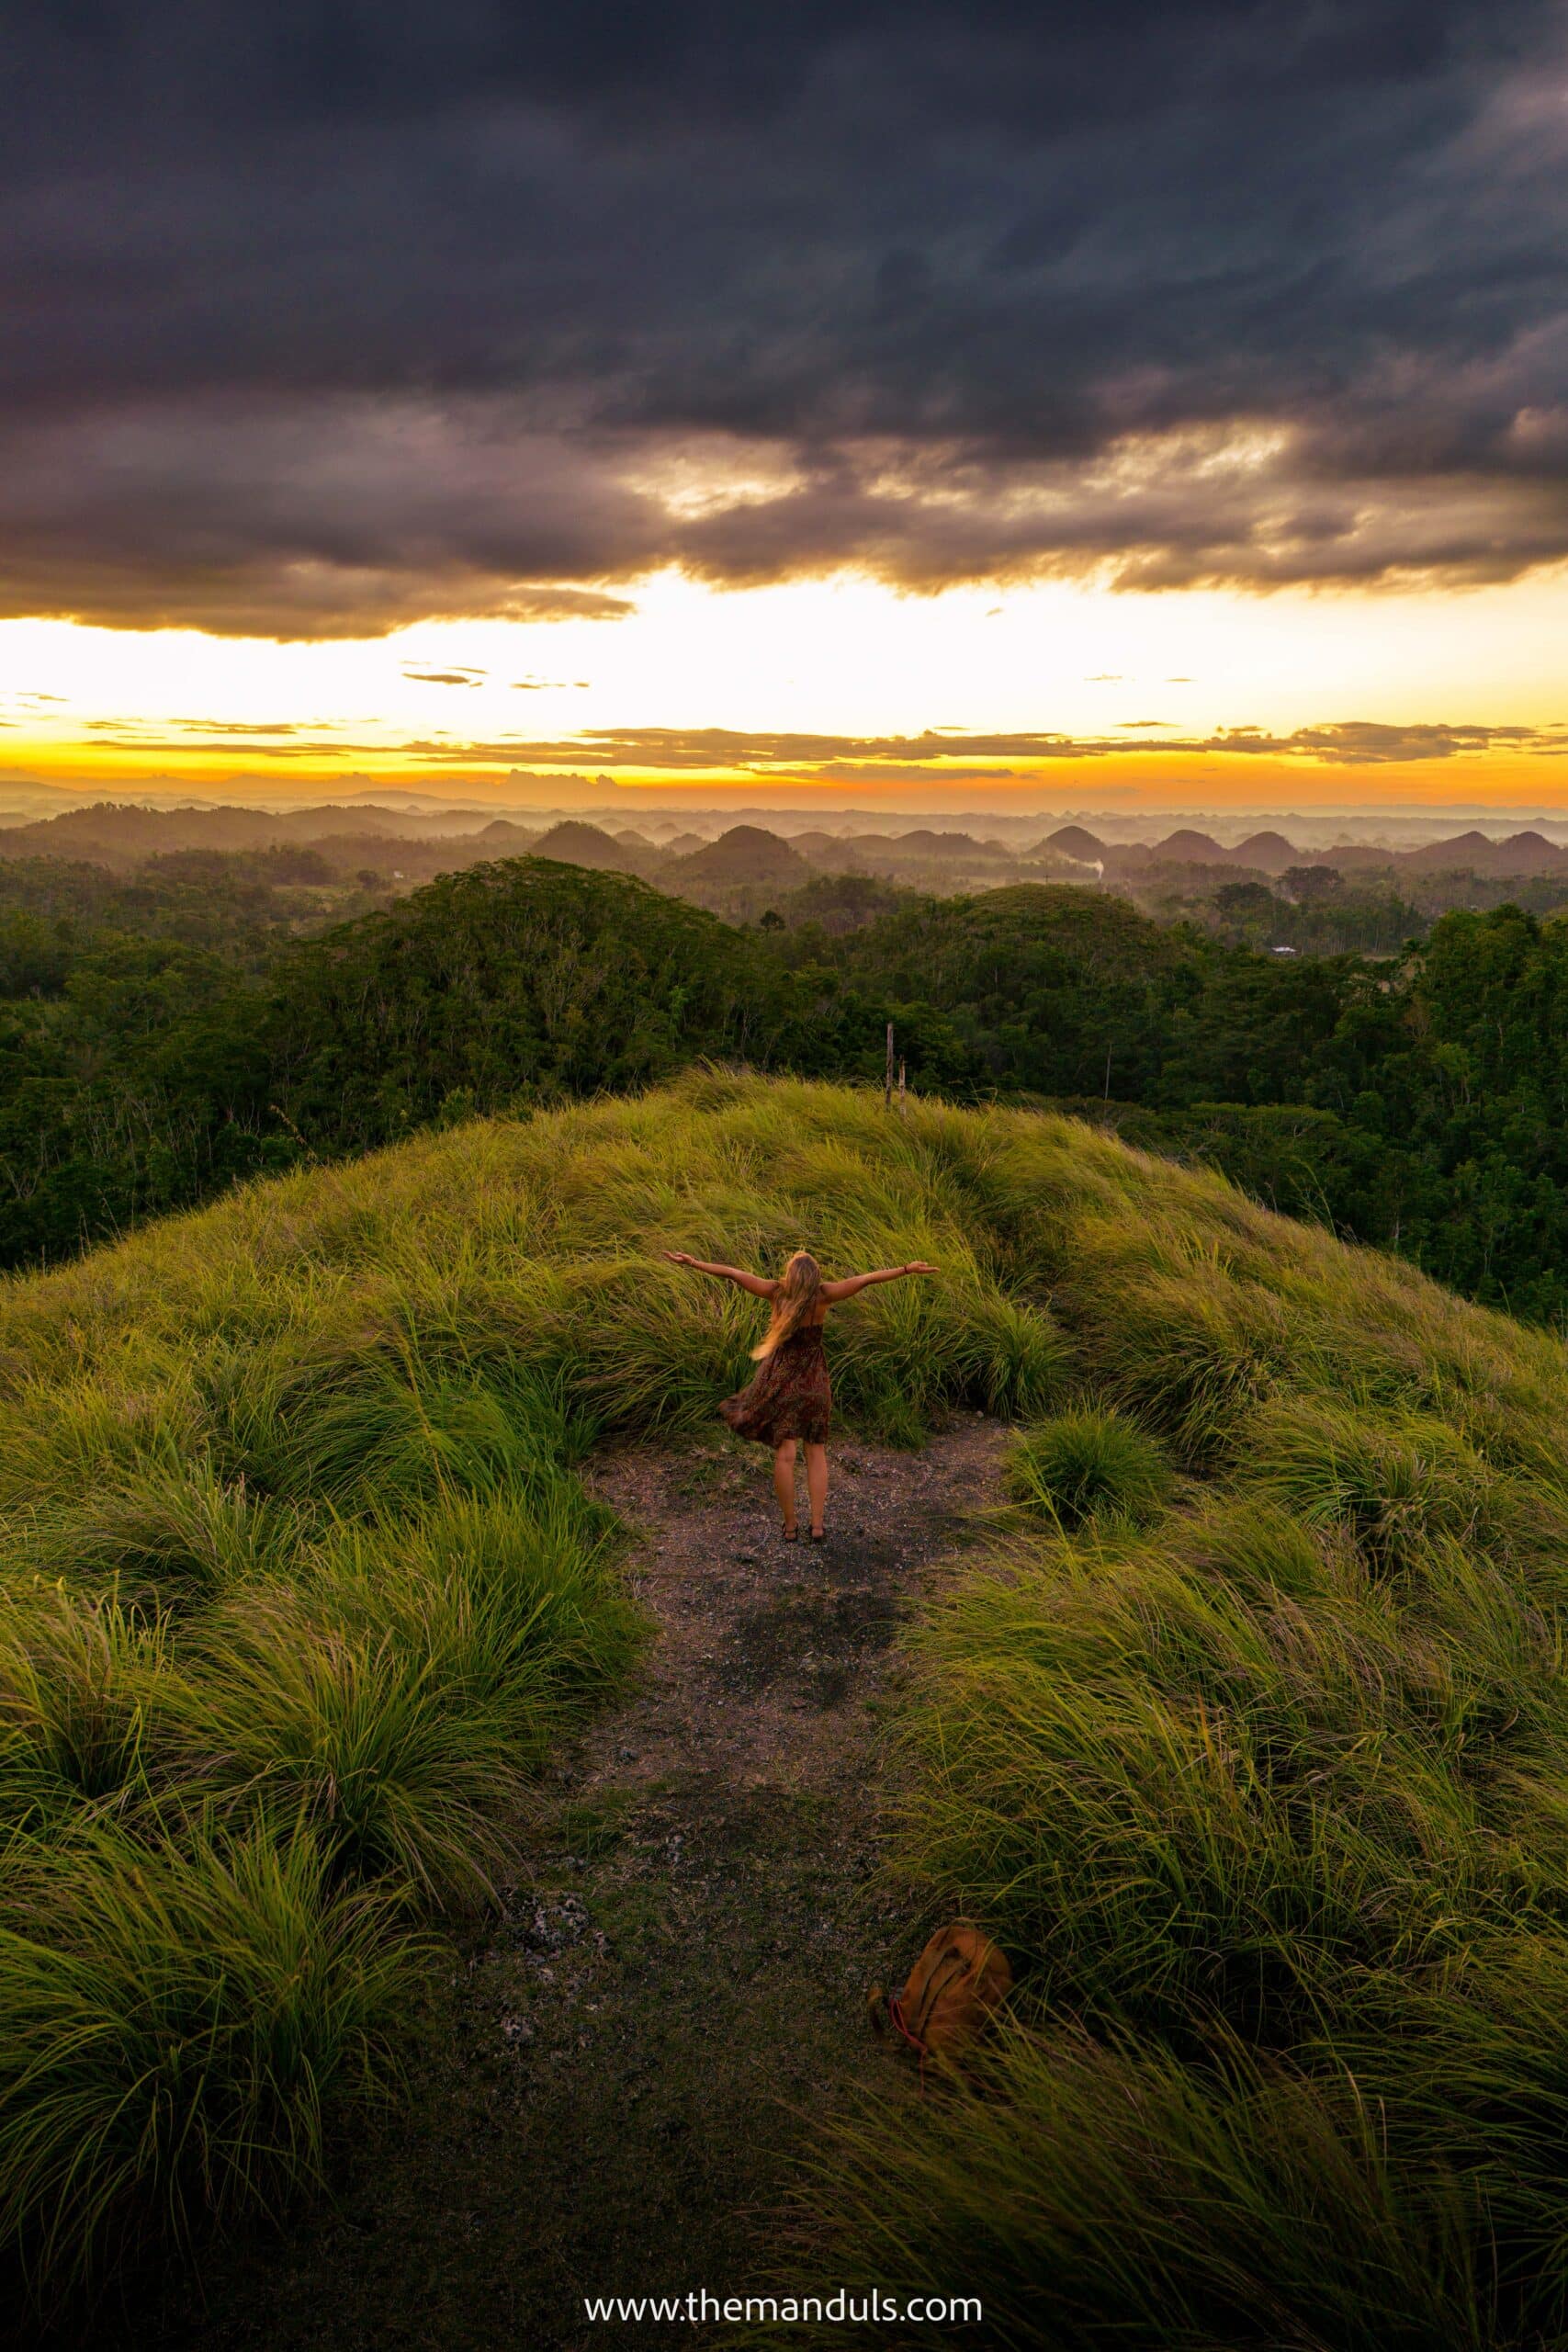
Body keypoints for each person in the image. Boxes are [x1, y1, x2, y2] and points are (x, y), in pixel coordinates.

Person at [660, 1247, 937, 1541]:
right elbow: (865, 1279)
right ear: (816, 1276)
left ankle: (790, 1527)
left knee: (786, 1455)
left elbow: (733, 1274)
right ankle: (817, 1526)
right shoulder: (824, 1295)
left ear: (790, 1275)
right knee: (816, 1451)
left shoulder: (776, 1293)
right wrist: (906, 1269)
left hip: (782, 1383)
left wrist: (693, 1262)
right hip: (815, 1384)